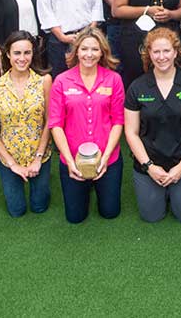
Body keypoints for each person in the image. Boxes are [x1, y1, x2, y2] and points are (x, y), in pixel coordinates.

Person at [124, 28, 181, 223]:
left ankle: (177, 188)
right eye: (156, 52)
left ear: (175, 52)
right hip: (149, 163)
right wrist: (150, 167)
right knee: (151, 216)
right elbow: (131, 132)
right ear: (149, 54)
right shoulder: (137, 87)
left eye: (166, 51)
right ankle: (160, 188)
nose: (162, 57)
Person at [48, 27, 125, 224]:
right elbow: (55, 124)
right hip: (72, 157)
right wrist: (70, 161)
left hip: (108, 156)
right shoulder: (62, 81)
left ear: (102, 52)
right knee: (75, 218)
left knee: (110, 212)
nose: (89, 54)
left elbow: (118, 121)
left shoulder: (113, 79)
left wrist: (105, 158)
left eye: (94, 49)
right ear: (76, 52)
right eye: (84, 49)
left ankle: (98, 183)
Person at [0, 31, 53, 218]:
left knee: (40, 206)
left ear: (33, 54)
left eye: (27, 53)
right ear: (7, 54)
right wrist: (12, 164)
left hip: (39, 153)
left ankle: (42, 181)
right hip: (9, 155)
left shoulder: (44, 81)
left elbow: (49, 121)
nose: (22, 58)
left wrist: (38, 157)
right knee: (17, 210)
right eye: (17, 53)